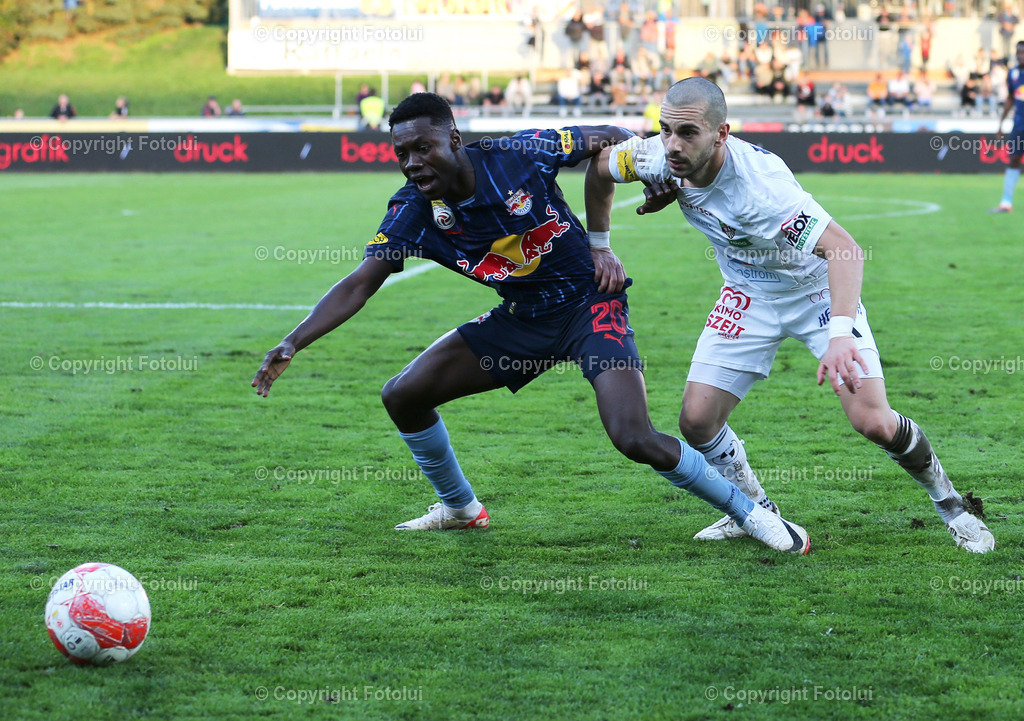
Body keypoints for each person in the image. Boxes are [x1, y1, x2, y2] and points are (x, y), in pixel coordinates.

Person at [252, 92, 810, 553]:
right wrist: (293, 341)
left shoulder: (522, 154)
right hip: (520, 324)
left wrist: (646, 185)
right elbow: (359, 282)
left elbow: (612, 135)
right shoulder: (413, 211)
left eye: (423, 147)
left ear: (453, 139)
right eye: (402, 153)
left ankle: (753, 513)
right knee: (403, 394)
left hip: (591, 306)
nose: (413, 161)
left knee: (632, 435)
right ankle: (460, 508)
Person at [584, 77, 994, 553]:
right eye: (665, 129)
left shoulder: (763, 191)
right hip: (747, 294)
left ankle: (952, 507)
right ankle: (756, 512)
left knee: (874, 422)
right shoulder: (657, 155)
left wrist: (841, 334)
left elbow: (843, 250)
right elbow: (599, 169)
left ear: (722, 134)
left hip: (815, 292)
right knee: (696, 422)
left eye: (688, 133)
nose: (672, 145)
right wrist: (600, 247)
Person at [990, 40, 1024, 213]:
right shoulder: (1013, 73)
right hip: (1019, 124)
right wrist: (1001, 124)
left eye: (1023, 53)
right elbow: (1010, 99)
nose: (1020, 56)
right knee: (1014, 160)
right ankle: (1006, 203)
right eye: (1018, 52)